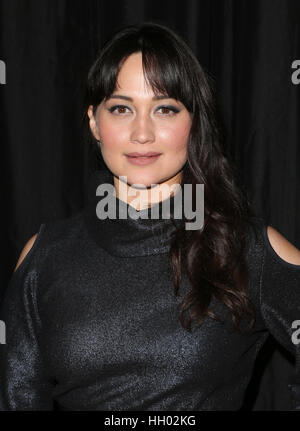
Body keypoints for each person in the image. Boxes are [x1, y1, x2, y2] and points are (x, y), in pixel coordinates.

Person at [1, 21, 300, 411]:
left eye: (164, 108)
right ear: (94, 121)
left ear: (193, 124)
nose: (142, 133)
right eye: (122, 108)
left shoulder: (246, 249)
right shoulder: (45, 257)